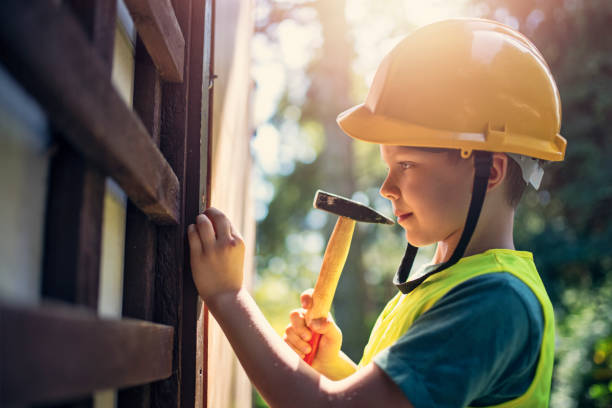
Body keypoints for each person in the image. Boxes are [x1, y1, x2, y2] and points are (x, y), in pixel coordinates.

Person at [188, 18, 566, 407]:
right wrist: (333, 366)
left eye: (406, 164)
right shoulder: (449, 285)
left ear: (492, 172)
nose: (386, 188)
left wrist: (228, 296)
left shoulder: (496, 302)